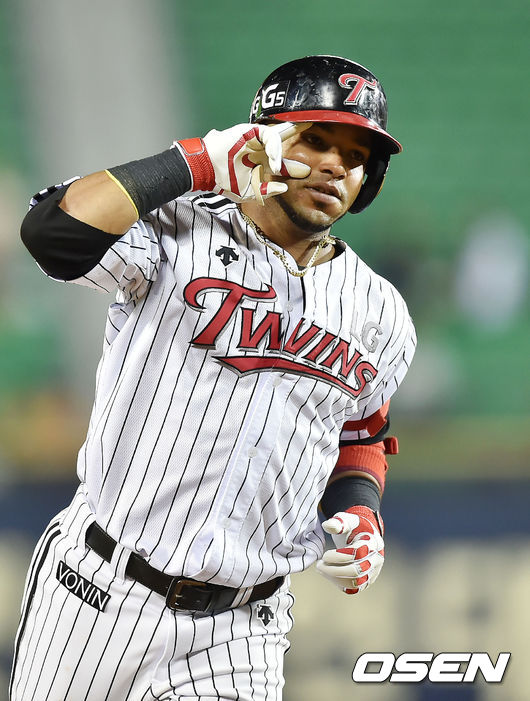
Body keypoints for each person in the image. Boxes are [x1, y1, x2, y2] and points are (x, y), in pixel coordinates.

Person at [10, 54, 416, 700]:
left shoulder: (379, 311)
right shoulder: (177, 228)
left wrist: (359, 509)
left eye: (356, 155)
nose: (336, 165)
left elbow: (362, 431)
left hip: (240, 628)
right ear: (264, 138)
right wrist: (195, 162)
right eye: (316, 140)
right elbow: (52, 232)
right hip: (96, 589)